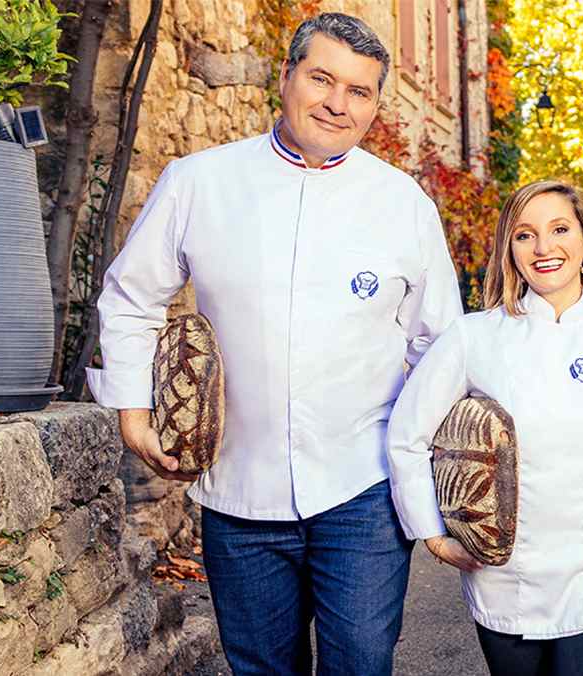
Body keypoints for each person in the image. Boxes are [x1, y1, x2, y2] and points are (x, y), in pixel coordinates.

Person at [85, 13, 463, 676]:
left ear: (375, 105)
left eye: (360, 91)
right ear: (286, 77)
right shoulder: (198, 182)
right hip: (239, 490)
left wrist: (432, 472)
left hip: (364, 487)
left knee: (362, 664)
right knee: (261, 668)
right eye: (322, 79)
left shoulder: (403, 204)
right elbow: (130, 297)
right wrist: (132, 409)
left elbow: (442, 348)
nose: (337, 104)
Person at [387, 180, 583, 676]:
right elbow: (407, 435)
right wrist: (432, 535)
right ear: (508, 251)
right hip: (507, 581)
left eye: (559, 229)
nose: (543, 247)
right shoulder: (475, 336)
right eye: (524, 235)